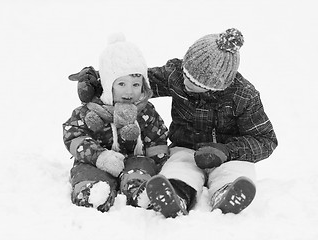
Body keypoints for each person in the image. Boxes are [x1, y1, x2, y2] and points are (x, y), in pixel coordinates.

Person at [72, 28, 278, 218]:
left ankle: (226, 193)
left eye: (195, 83)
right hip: (186, 147)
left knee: (237, 170)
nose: (185, 81)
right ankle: (176, 194)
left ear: (216, 86)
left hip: (228, 154)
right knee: (178, 166)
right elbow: (136, 80)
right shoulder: (177, 75)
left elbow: (265, 140)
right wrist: (96, 81)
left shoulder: (243, 96)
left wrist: (227, 151)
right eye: (186, 73)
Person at [63, 34, 169, 213]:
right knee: (88, 172)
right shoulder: (91, 111)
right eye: (121, 84)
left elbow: (157, 140)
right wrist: (99, 157)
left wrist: (159, 163)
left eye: (136, 84)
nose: (129, 91)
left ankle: (140, 192)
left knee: (141, 168)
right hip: (96, 161)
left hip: (135, 160)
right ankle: (92, 193)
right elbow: (73, 135)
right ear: (107, 84)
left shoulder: (145, 111)